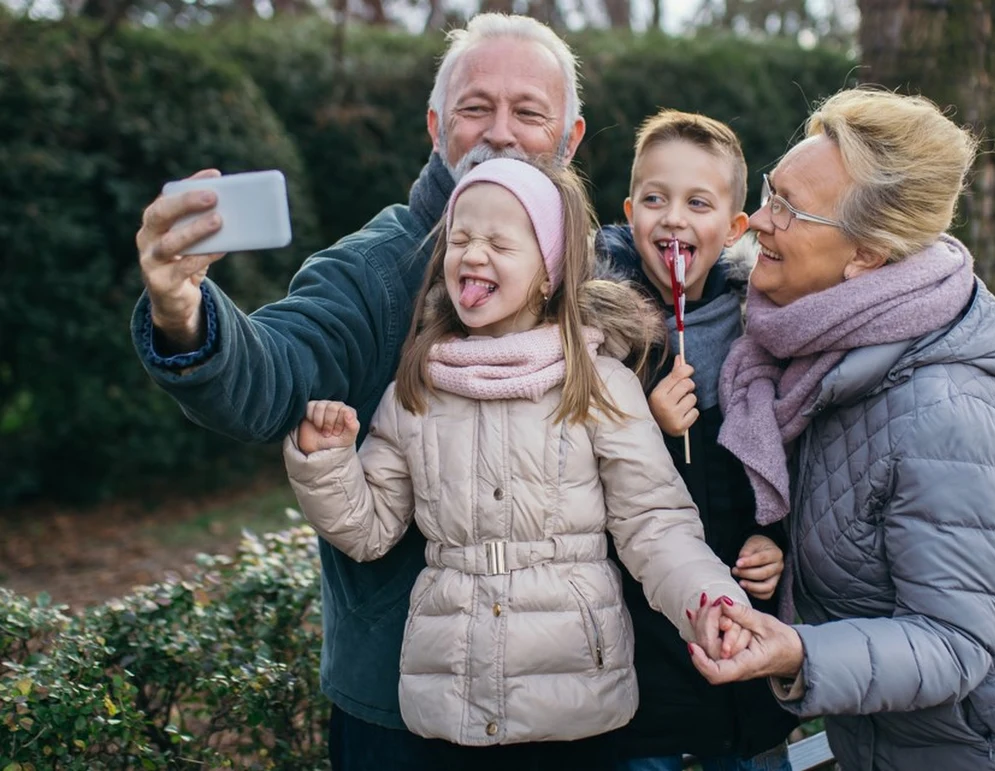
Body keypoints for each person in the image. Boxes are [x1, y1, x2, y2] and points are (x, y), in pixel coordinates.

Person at [686, 87, 995, 771]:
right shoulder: (812, 354)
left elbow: (953, 643)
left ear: (867, 255)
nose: (758, 221)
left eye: (788, 208)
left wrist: (801, 652)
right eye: (771, 190)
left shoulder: (941, 410)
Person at [130, 14, 586, 769]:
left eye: (529, 112)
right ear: (438, 126)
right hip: (403, 714)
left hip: (577, 709)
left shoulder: (600, 273)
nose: (500, 132)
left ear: (569, 139)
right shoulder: (375, 271)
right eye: (476, 108)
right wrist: (184, 312)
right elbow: (274, 373)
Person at [284, 157, 753, 770]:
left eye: (500, 243)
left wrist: (710, 601)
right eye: (460, 239)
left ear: (547, 273)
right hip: (450, 701)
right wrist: (326, 464)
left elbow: (655, 525)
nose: (473, 254)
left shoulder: (600, 384)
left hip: (576, 704)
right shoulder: (416, 389)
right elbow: (369, 530)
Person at [595, 110, 796, 771]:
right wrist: (643, 423)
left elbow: (791, 458)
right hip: (645, 662)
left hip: (746, 649)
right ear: (630, 213)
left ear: (735, 227)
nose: (673, 217)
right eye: (655, 198)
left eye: (698, 202)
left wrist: (776, 536)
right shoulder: (604, 331)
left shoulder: (758, 333)